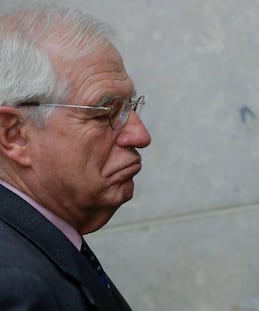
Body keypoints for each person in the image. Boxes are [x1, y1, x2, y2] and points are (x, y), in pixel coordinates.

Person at [0, 3, 151, 311]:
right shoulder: (14, 285)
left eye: (130, 107)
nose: (140, 135)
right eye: (105, 112)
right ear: (14, 135)